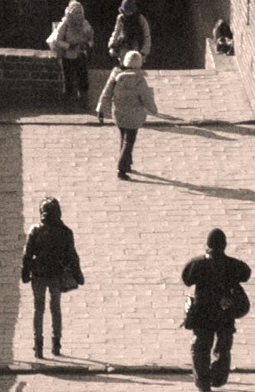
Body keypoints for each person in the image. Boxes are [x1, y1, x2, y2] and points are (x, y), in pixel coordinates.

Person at [182, 228, 251, 392]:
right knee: (223, 347)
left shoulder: (198, 264)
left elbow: (187, 279)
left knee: (200, 347)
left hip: (202, 312)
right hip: (224, 312)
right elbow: (246, 273)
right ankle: (218, 378)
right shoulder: (233, 265)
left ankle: (202, 382)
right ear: (224, 245)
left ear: (208, 245)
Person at [21, 196, 84, 358]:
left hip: (38, 275)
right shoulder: (65, 232)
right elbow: (72, 256)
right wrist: (78, 275)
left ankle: (38, 345)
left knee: (38, 309)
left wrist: (25, 273)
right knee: (55, 308)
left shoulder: (35, 231)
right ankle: (56, 344)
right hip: (56, 275)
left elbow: (27, 255)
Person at [95, 50, 157, 180]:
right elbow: (147, 97)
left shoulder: (115, 75)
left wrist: (100, 108)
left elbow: (106, 92)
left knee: (123, 138)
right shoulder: (139, 80)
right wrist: (154, 110)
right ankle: (121, 167)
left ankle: (127, 163)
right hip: (134, 116)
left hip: (118, 113)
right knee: (129, 141)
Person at [48, 0, 93, 103]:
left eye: (80, 12)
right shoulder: (65, 24)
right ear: (70, 13)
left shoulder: (85, 24)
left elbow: (91, 39)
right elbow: (56, 40)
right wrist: (69, 46)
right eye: (76, 12)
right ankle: (68, 103)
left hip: (81, 55)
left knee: (83, 79)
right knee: (68, 80)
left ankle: (83, 101)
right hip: (67, 56)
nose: (78, 15)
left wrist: (87, 44)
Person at [108, 0, 151, 65]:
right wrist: (112, 45)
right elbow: (116, 32)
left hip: (136, 46)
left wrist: (144, 52)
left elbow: (146, 36)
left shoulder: (140, 19)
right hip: (123, 45)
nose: (127, 13)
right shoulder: (120, 18)